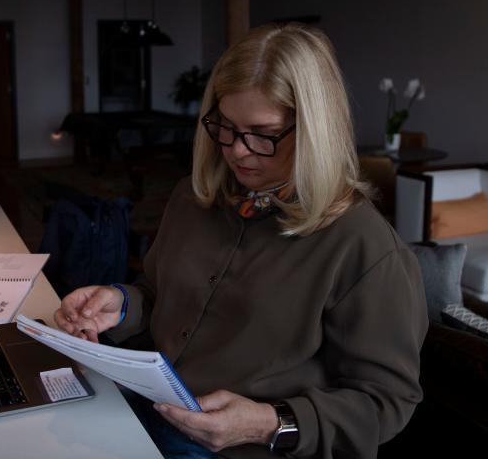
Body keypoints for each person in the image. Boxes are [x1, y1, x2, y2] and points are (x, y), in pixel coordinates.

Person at [54, 23, 428, 459]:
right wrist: (120, 304)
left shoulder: (364, 247)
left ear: (314, 130)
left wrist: (271, 424)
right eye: (225, 127)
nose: (237, 150)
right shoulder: (193, 199)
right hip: (144, 411)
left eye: (263, 134)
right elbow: (159, 296)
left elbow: (386, 403)